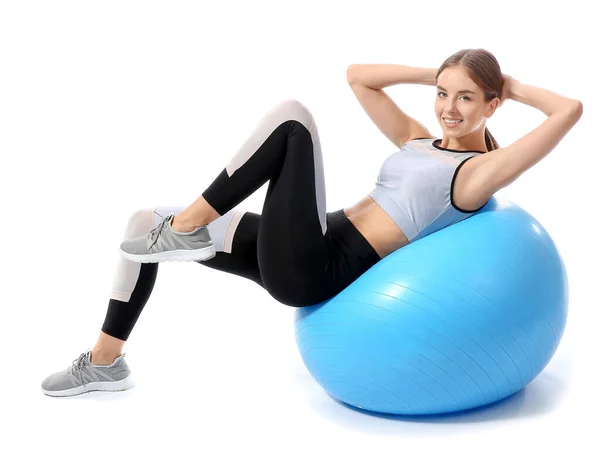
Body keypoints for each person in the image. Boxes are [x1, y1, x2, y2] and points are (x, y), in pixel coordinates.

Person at [41, 48, 582, 397]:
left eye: (466, 98)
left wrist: (509, 85)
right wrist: (434, 73)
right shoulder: (420, 139)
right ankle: (105, 362)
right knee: (142, 219)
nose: (449, 107)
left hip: (322, 266)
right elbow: (358, 77)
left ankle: (187, 226)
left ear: (491, 106)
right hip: (312, 236)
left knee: (293, 119)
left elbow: (569, 110)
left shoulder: (477, 174)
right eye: (444, 94)